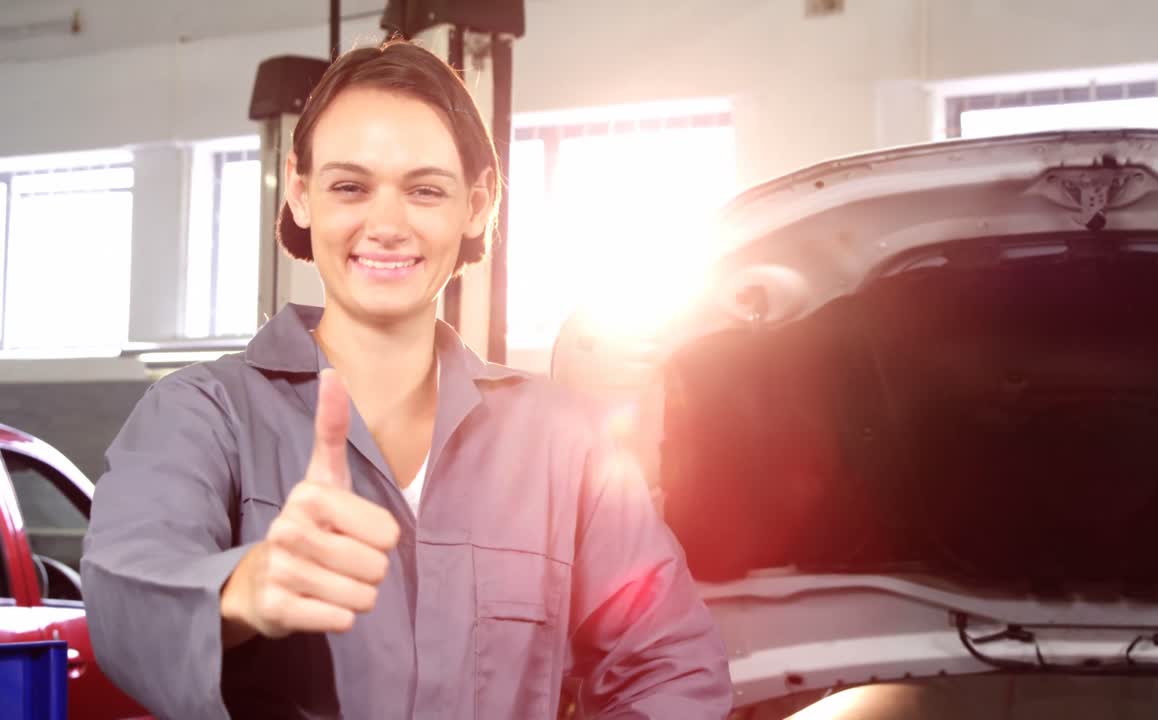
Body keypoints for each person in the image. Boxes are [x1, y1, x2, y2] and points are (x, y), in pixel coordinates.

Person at [81, 39, 732, 720]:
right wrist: (244, 589)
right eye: (350, 186)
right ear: (301, 195)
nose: (387, 225)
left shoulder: (567, 443)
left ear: (477, 205)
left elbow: (673, 667)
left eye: (424, 189)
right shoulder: (201, 414)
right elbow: (125, 596)